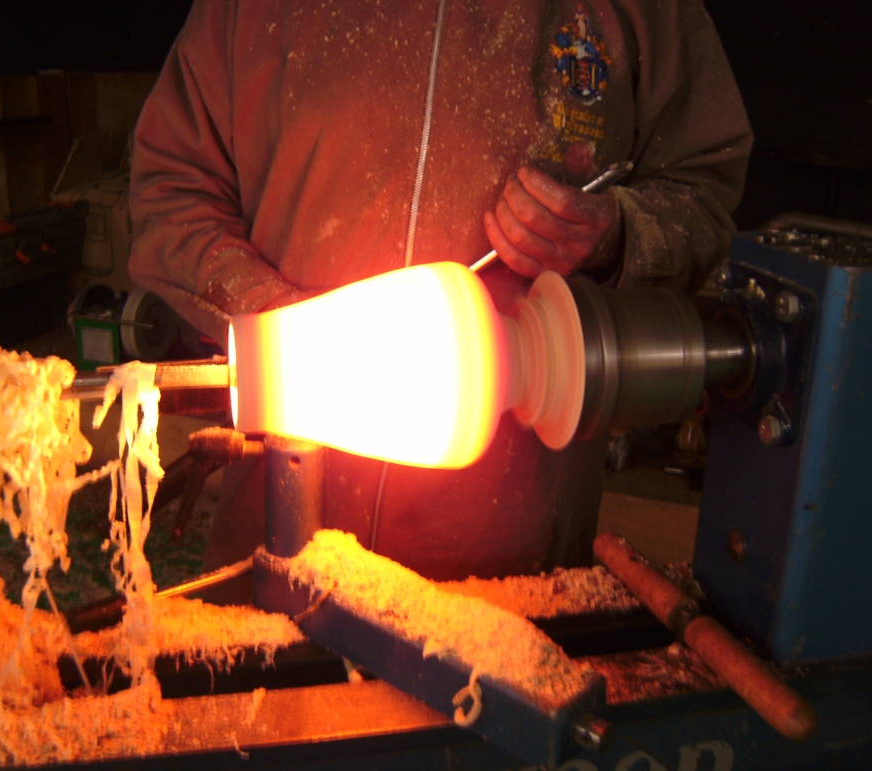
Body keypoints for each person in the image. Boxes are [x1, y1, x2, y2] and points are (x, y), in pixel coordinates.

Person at [128, 0, 752, 592]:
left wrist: (616, 234)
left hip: (507, 563)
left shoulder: (636, 15)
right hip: (277, 536)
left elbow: (703, 194)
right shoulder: (248, 14)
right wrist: (282, 332)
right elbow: (172, 187)